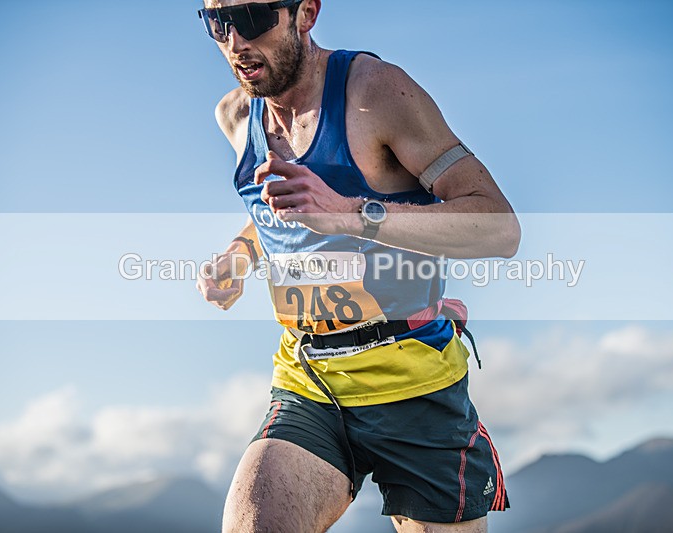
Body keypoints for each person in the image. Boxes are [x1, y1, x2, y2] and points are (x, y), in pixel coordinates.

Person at [194, 1, 521, 531]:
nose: (235, 41)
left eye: (252, 17)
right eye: (217, 22)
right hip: (311, 380)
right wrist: (241, 253)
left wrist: (351, 213)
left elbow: (500, 228)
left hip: (415, 385)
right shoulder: (235, 116)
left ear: (305, 13)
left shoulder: (376, 94)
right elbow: (280, 213)